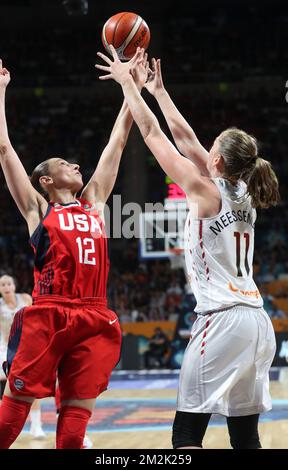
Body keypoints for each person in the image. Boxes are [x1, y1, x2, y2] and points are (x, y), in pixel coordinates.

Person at [96, 47, 280, 449]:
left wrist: (129, 84)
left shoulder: (204, 190)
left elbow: (154, 135)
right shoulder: (244, 187)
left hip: (222, 319)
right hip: (256, 320)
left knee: (186, 433)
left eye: (211, 148)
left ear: (216, 162)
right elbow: (187, 137)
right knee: (245, 434)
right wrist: (159, 92)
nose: (205, 149)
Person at [0, 50, 147, 449]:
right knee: (14, 408)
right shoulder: (37, 210)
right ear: (46, 179)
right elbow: (4, 149)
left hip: (94, 313)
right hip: (50, 310)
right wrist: (0, 91)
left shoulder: (94, 203)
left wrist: (130, 85)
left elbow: (117, 142)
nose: (76, 165)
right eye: (66, 163)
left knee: (74, 429)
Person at [0, 274, 46, 439]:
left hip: (26, 347)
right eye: (2, 285)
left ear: (14, 286)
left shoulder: (25, 299)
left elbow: (38, 318)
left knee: (32, 386)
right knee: (5, 390)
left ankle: (36, 426)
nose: (5, 287)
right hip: (4, 349)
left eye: (8, 283)